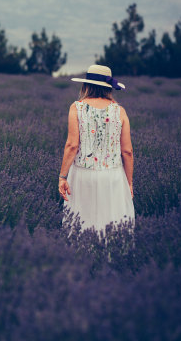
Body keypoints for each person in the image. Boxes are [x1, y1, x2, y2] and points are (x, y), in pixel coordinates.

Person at [58, 64, 134, 233]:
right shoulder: (119, 111)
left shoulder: (76, 107)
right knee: (112, 224)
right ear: (108, 88)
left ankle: (80, 257)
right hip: (113, 176)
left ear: (86, 85)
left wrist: (62, 177)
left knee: (82, 223)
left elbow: (72, 146)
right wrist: (129, 183)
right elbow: (127, 152)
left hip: (82, 175)